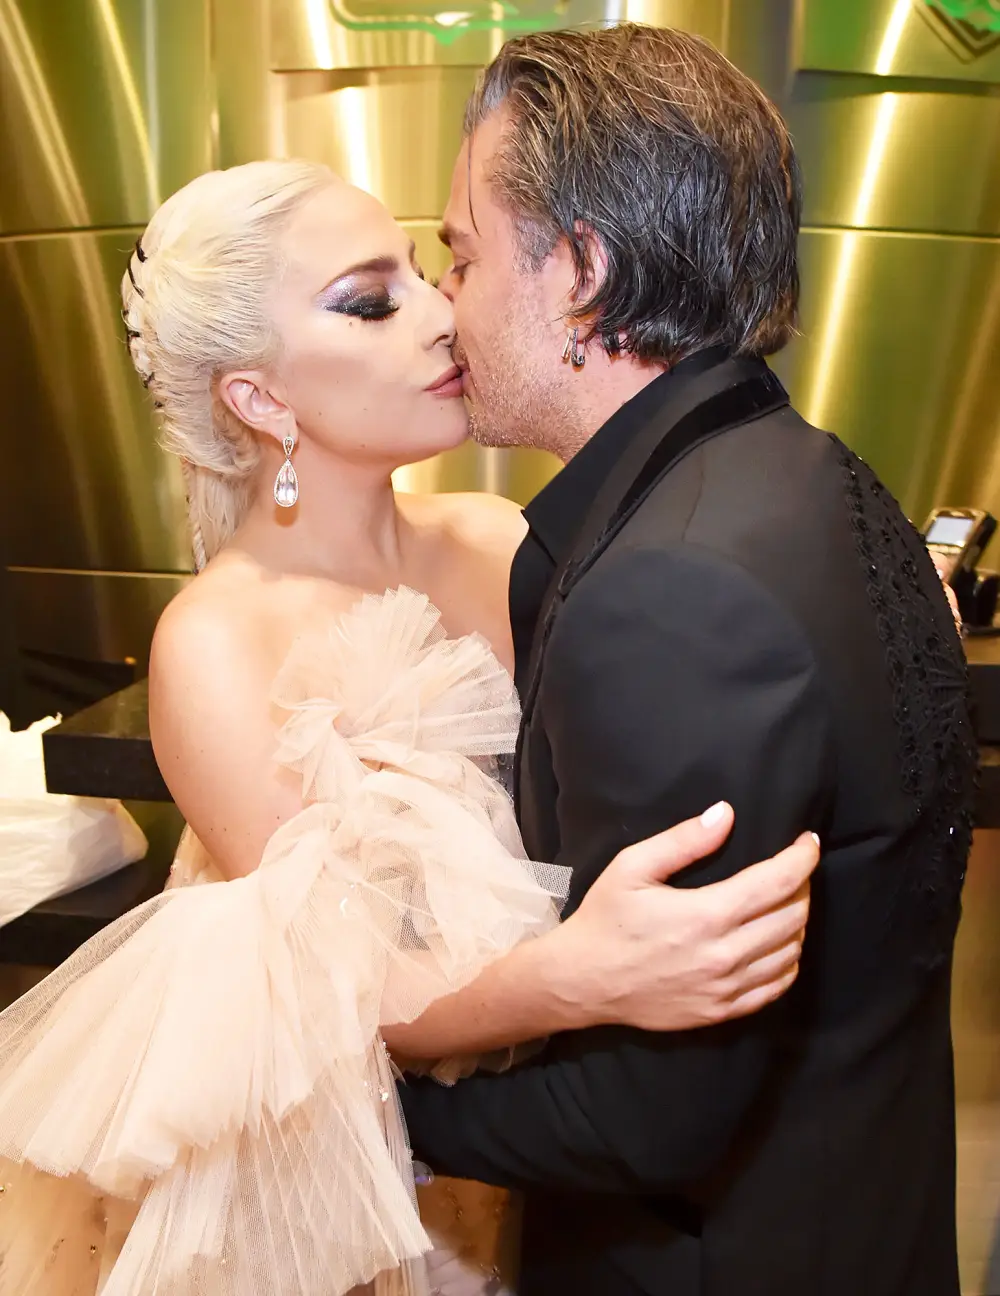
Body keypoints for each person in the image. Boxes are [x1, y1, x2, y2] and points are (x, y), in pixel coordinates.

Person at [0, 159, 817, 1295]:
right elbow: (339, 988)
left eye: (431, 274)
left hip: (566, 1137)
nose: (442, 315)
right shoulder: (214, 643)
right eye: (371, 301)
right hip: (353, 1185)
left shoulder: (497, 537)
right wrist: (576, 976)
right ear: (261, 399)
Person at [393, 24, 978, 1296]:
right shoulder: (811, 471)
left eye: (462, 254)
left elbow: (648, 1116)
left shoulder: (672, 592)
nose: (447, 306)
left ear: (581, 275)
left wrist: (378, 1118)